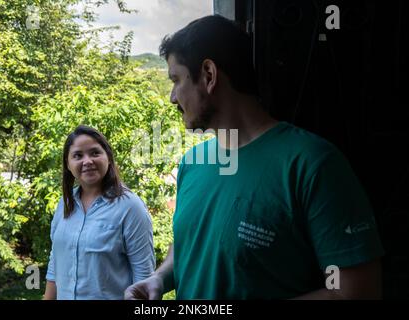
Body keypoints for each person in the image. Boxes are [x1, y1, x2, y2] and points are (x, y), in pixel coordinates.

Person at [124, 15, 384, 300]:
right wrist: (160, 279)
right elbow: (190, 242)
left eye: (176, 79)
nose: (172, 97)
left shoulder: (312, 164)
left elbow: (357, 291)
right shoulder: (193, 162)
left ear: (209, 75)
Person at [44, 125, 155, 300]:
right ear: (68, 164)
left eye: (95, 153)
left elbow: (144, 278)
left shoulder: (131, 208)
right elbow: (55, 263)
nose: (87, 161)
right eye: (78, 155)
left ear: (108, 158)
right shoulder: (64, 204)